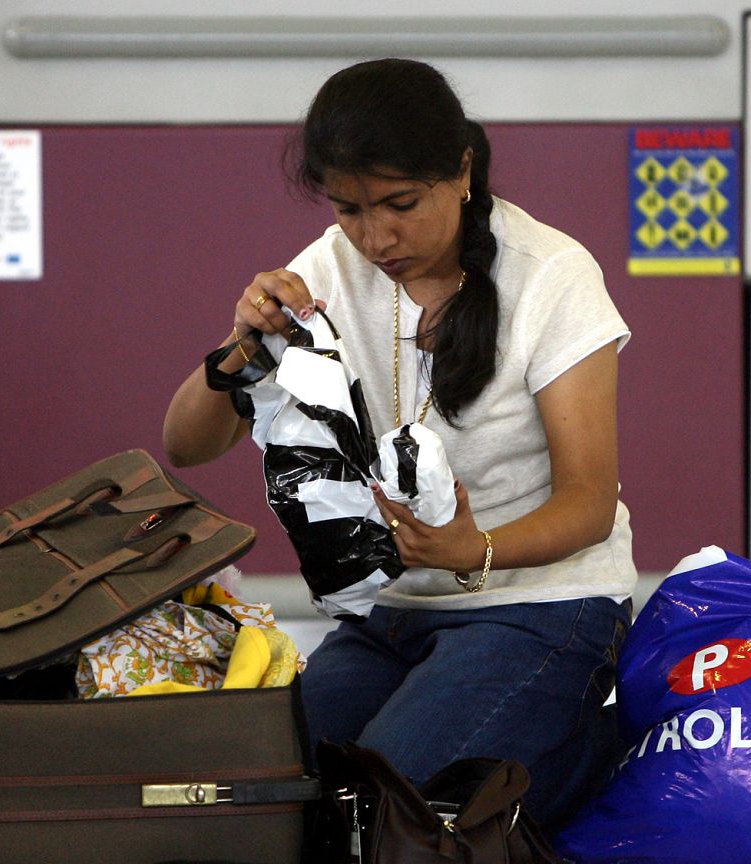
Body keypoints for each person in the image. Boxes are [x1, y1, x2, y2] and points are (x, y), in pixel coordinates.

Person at [162, 57, 635, 829]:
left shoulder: (551, 275)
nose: (376, 236)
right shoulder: (329, 267)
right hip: (394, 615)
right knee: (264, 793)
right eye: (349, 208)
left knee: (383, 810)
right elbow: (185, 444)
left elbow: (588, 504)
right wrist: (240, 346)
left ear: (462, 172)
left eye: (400, 204)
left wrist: (470, 551)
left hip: (542, 605)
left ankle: (577, 749)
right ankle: (539, 750)